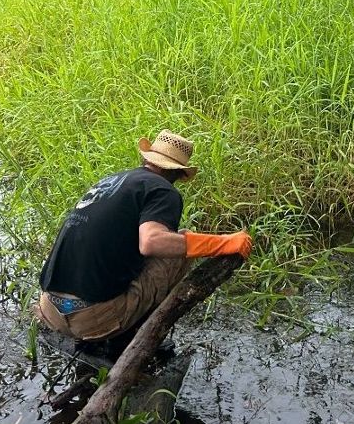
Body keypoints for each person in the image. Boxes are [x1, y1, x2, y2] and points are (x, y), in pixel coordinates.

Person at [37, 129, 252, 344]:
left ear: (148, 158)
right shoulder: (163, 190)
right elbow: (151, 242)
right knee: (181, 246)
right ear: (178, 173)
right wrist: (223, 243)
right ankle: (131, 335)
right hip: (93, 321)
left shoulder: (111, 182)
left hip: (49, 309)